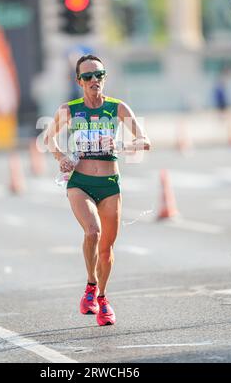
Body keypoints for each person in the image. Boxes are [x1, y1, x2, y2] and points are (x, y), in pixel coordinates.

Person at [44, 55, 151, 326]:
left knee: (107, 249)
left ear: (104, 78)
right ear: (78, 81)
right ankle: (90, 286)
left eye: (99, 75)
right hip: (80, 183)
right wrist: (61, 158)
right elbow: (49, 138)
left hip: (110, 184)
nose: (94, 81)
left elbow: (144, 141)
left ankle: (102, 297)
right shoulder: (70, 109)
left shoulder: (117, 108)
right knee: (93, 231)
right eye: (88, 76)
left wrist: (123, 147)